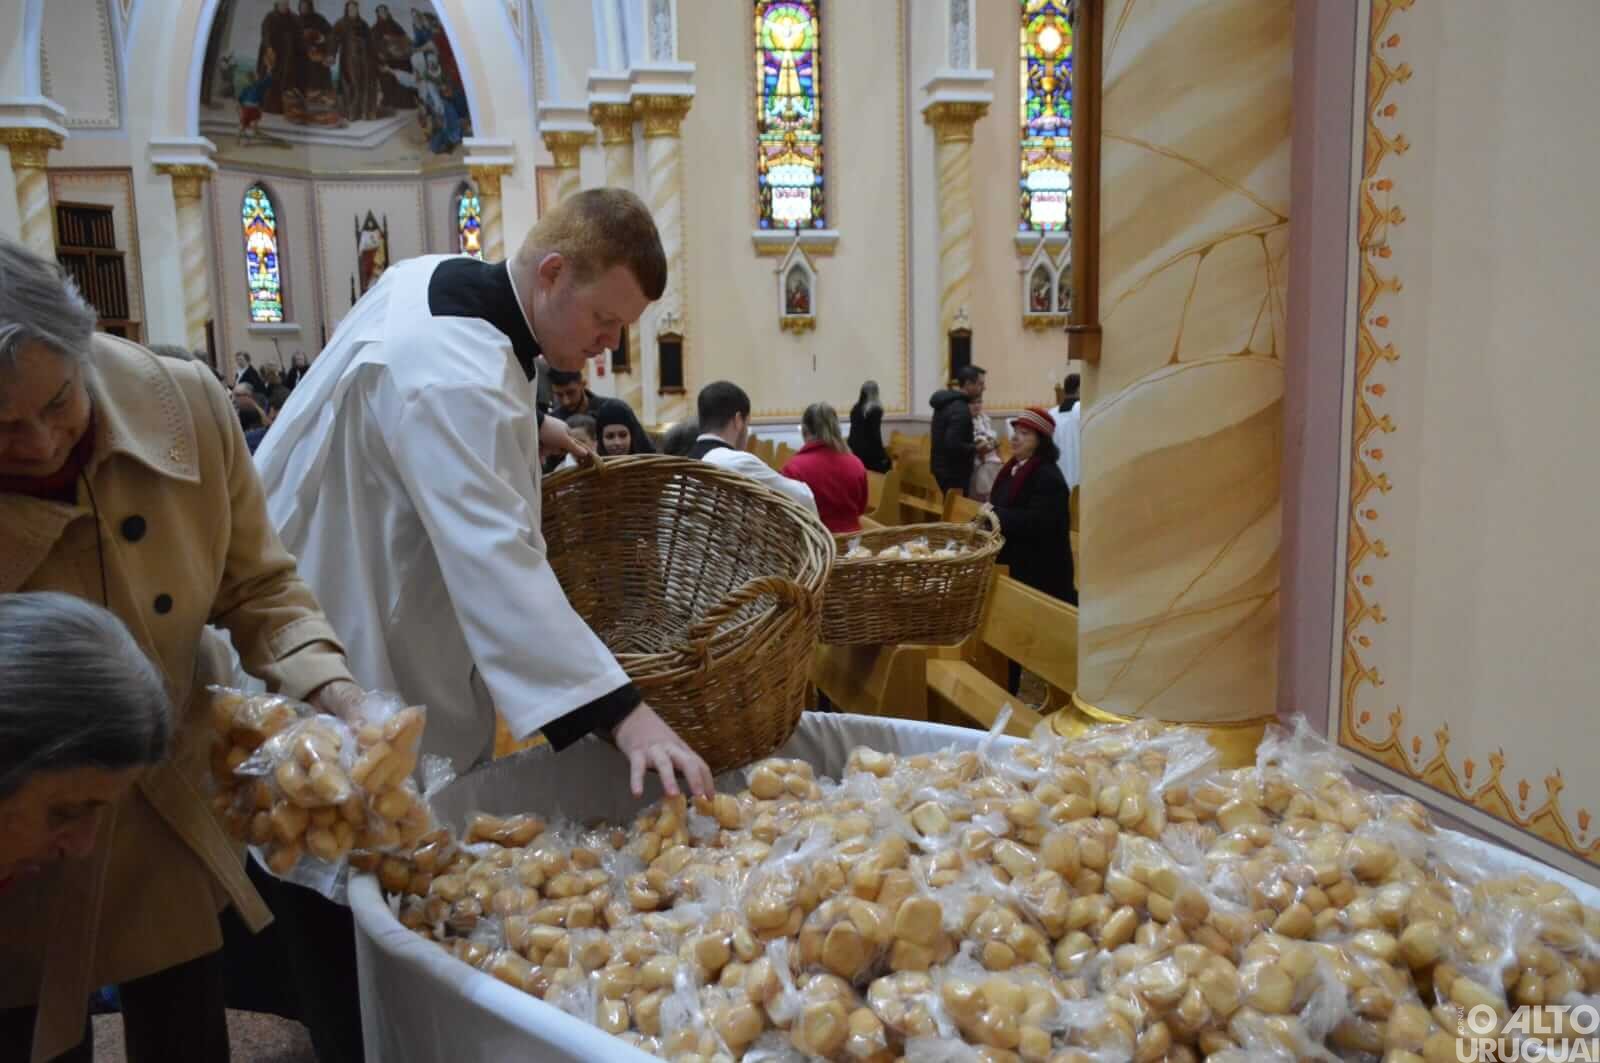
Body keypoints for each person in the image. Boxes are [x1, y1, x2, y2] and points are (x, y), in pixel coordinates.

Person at [0, 238, 362, 1063]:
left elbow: (261, 587)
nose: (42, 442)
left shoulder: (183, 406)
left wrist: (334, 691)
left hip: (165, 800)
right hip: (18, 822)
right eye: (3, 426)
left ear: (82, 345)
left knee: (186, 1025)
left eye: (58, 403)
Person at [257, 187, 713, 787]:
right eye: (605, 319)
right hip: (360, 613)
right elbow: (499, 561)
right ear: (553, 273)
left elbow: (455, 394)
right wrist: (626, 715)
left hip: (346, 554)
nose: (610, 344)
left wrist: (532, 421)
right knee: (357, 813)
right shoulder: (452, 380)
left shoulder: (437, 280)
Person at [688, 381, 818, 514]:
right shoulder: (736, 463)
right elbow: (803, 497)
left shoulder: (682, 466)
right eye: (748, 424)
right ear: (738, 421)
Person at [989, 406, 1074, 606]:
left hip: (1041, 571)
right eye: (1015, 432)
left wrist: (995, 514)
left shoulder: (1047, 476)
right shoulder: (1015, 469)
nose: (1015, 438)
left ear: (1040, 441)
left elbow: (1038, 522)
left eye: (1024, 433)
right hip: (1018, 560)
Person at [781, 403, 867, 534]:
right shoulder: (856, 463)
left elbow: (787, 516)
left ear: (804, 431)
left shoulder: (793, 468)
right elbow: (861, 508)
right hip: (853, 544)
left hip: (814, 545)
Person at [550, 367, 655, 454]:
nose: (566, 401)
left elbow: (646, 451)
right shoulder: (553, 421)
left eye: (571, 393)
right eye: (559, 395)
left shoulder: (615, 410)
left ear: (583, 384)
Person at [930, 364, 987, 494]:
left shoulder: (947, 402)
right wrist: (976, 448)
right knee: (956, 513)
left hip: (941, 469)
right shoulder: (961, 409)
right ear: (968, 384)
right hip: (954, 474)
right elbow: (952, 445)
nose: (984, 388)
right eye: (980, 384)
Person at [847, 379, 890, 474]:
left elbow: (854, 432)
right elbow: (875, 436)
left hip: (854, 451)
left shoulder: (855, 409)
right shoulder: (875, 410)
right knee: (887, 466)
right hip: (869, 454)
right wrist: (883, 456)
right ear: (876, 393)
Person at [968, 398, 1003, 503]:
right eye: (972, 402)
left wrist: (1000, 456)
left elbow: (994, 443)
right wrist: (986, 445)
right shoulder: (966, 421)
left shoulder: (984, 418)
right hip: (979, 465)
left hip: (992, 463)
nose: (976, 405)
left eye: (979, 402)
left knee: (994, 496)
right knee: (980, 499)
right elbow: (980, 447)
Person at [1054, 371, 1080, 490]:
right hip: (1079, 469)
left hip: (1059, 470)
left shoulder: (1052, 413)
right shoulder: (1081, 409)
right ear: (1079, 388)